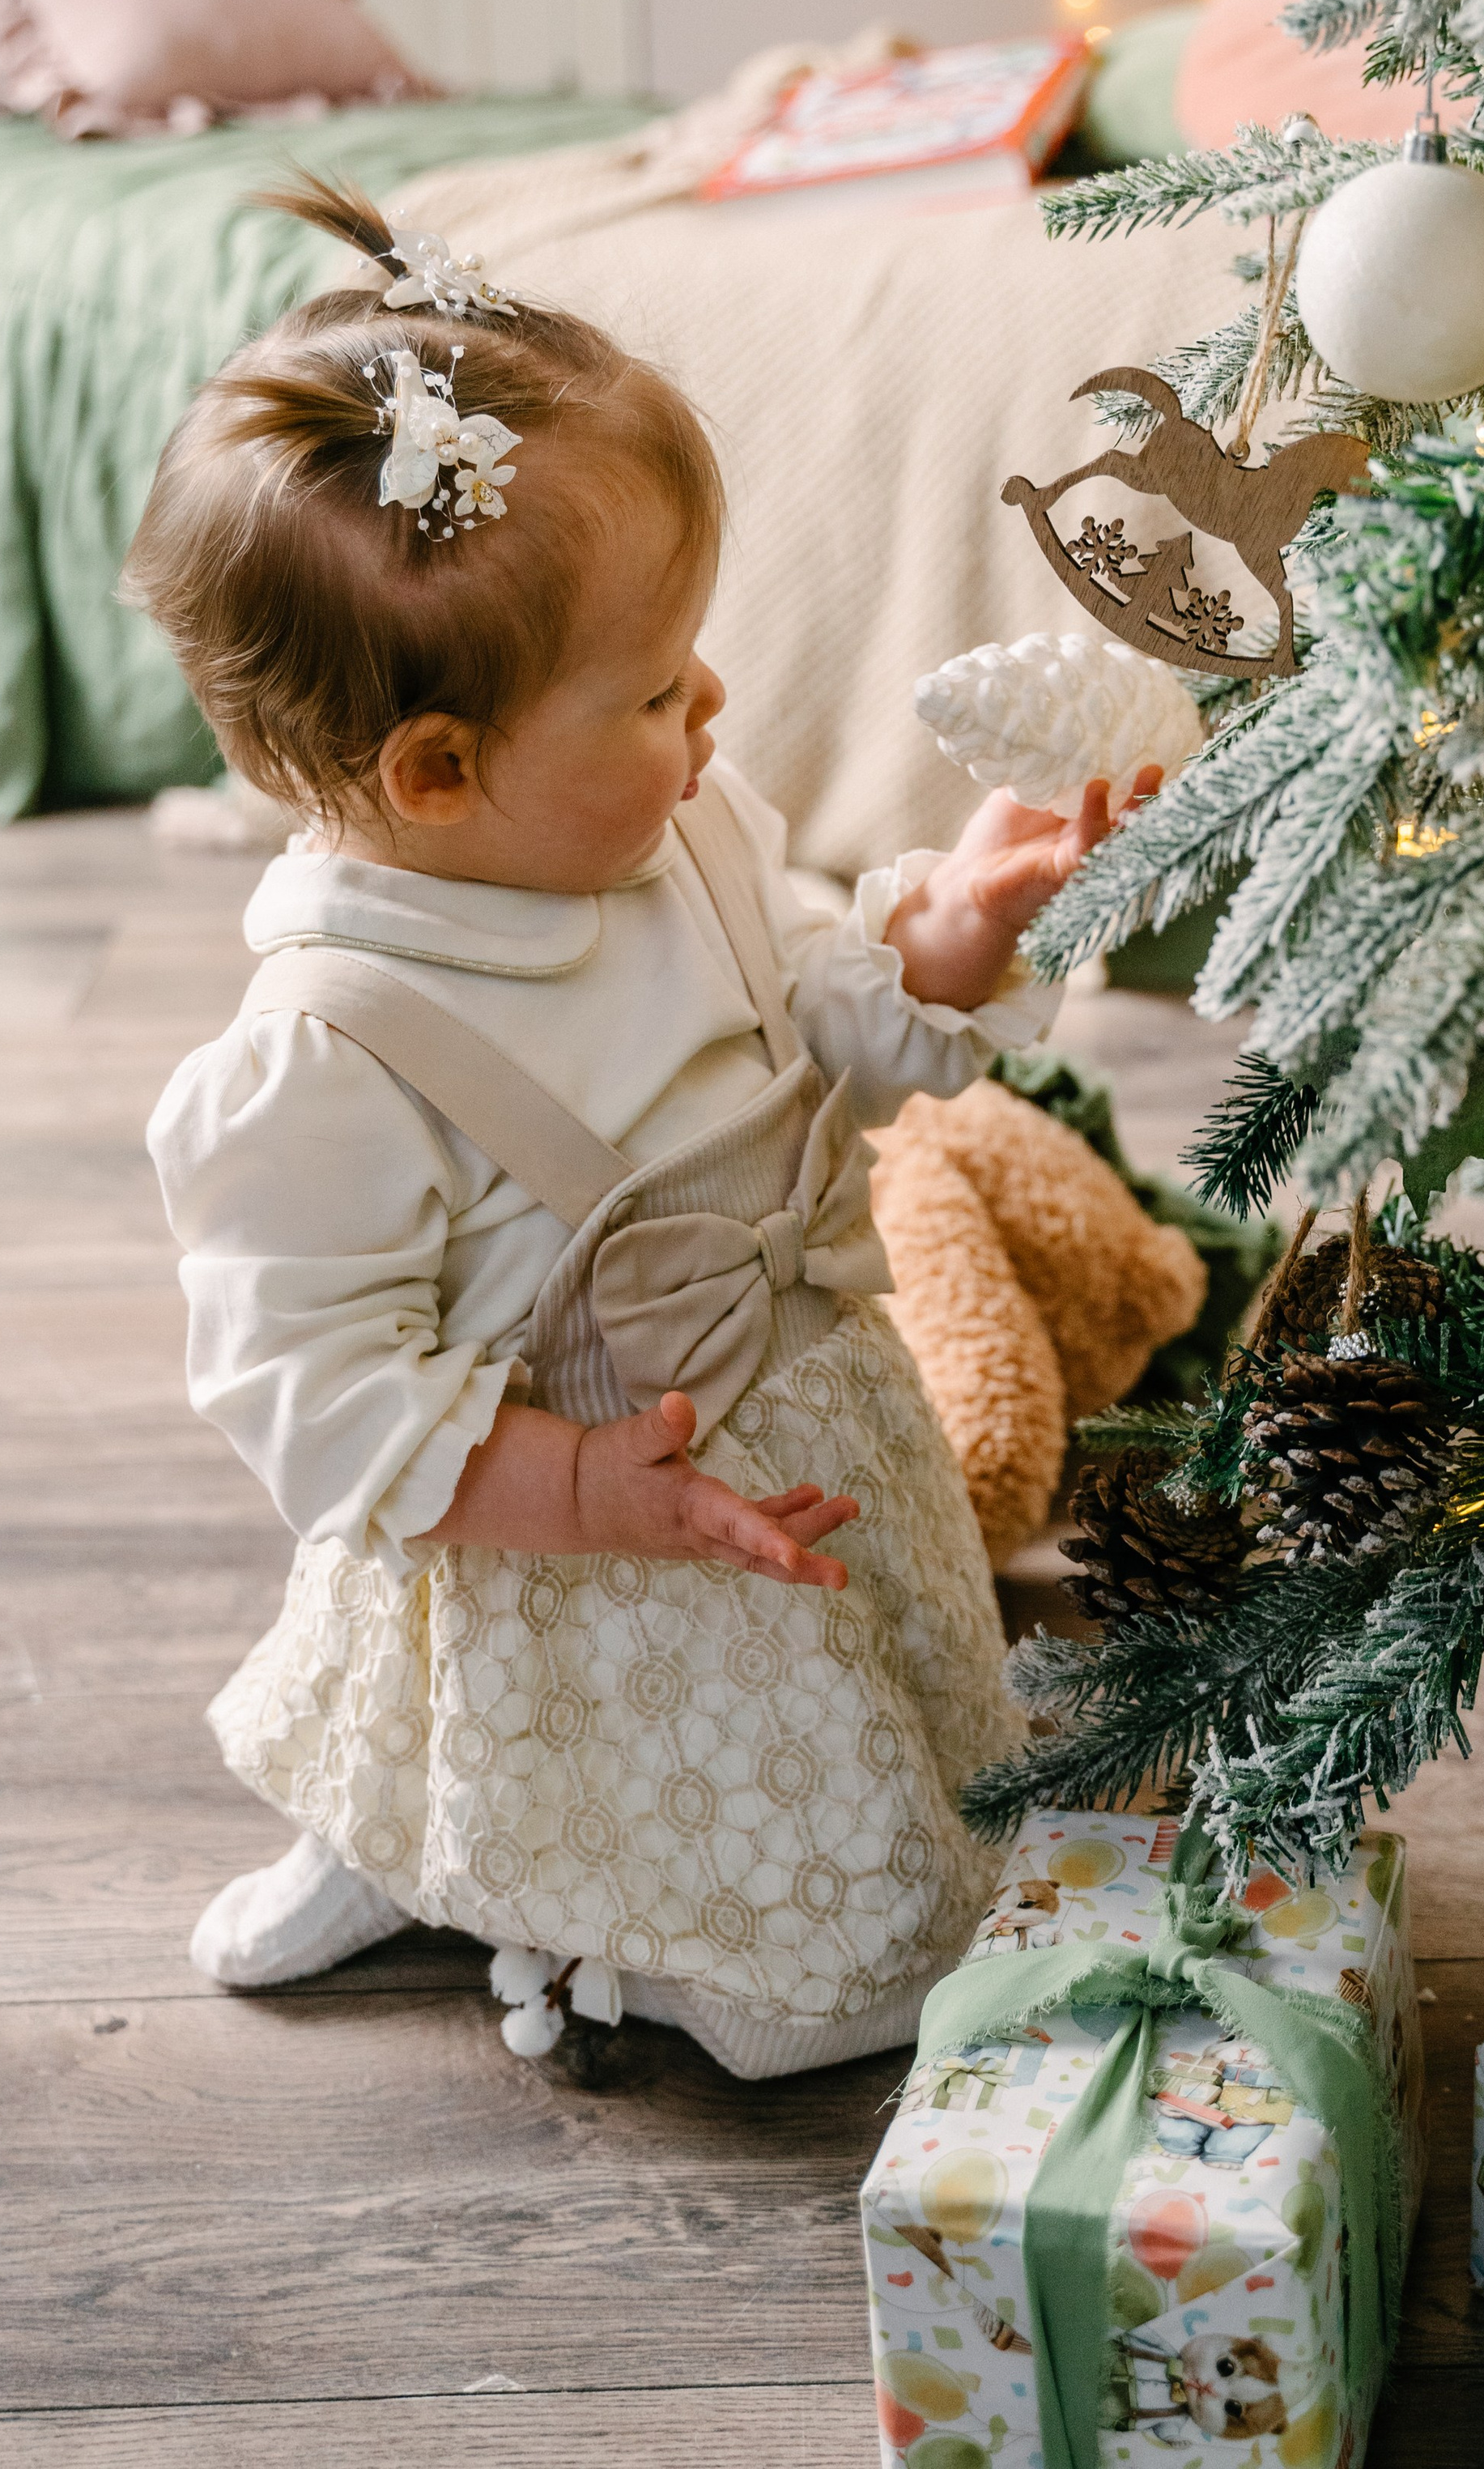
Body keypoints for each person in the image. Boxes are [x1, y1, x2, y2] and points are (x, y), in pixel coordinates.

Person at [127, 177, 1154, 2082]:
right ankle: (440, 1855)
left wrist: (930, 953)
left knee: (899, 1754)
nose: (715, 702)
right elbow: (322, 1401)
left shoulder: (679, 819)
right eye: (654, 686)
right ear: (437, 775)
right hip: (578, 1535)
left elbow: (804, 1019)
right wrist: (584, 1494)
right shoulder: (330, 1060)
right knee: (827, 1984)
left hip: (806, 1415)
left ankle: (561, 1863)